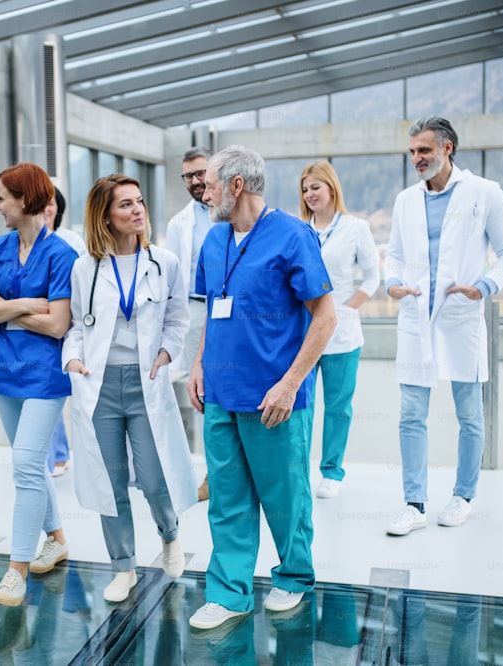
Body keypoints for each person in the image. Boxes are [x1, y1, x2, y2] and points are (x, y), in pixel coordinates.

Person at [186, 145, 336, 631]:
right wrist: (198, 364)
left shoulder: (293, 237)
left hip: (275, 398)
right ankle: (229, 592)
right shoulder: (213, 241)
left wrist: (291, 383)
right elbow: (214, 307)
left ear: (236, 186)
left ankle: (294, 577)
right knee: (227, 500)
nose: (202, 192)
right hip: (221, 396)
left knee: (285, 497)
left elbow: (325, 318)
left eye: (208, 184)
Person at [384, 117, 503, 536]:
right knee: (411, 415)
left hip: (460, 316)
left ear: (448, 149)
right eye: (412, 152)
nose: (416, 159)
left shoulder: (484, 193)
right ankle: (414, 504)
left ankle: (463, 496)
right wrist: (392, 283)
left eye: (424, 150)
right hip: (414, 316)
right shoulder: (405, 200)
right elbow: (392, 254)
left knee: (469, 413)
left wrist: (484, 286)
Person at [62, 174, 197, 603]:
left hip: (147, 384)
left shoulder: (165, 262)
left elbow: (178, 320)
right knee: (111, 481)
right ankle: (123, 567)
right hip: (98, 386)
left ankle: (170, 536)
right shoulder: (86, 267)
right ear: (105, 215)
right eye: (125, 205)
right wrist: (72, 359)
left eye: (139, 202)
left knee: (155, 478)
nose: (137, 210)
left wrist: (166, 354)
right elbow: (76, 327)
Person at [0, 162, 79, 606]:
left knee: (27, 465)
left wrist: (4, 306)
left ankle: (16, 569)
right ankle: (58, 538)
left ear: (26, 198)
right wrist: (26, 303)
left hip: (45, 375)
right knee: (29, 464)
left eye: (1, 198)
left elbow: (56, 327)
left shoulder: (62, 254)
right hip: (4, 370)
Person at [299, 161, 380, 499]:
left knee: (337, 407)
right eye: (305, 189)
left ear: (332, 188)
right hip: (303, 333)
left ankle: (332, 471)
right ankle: (296, 468)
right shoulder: (298, 229)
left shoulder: (355, 228)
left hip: (342, 335)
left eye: (315, 187)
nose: (309, 194)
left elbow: (373, 277)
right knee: (300, 404)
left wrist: (348, 308)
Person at [164, 146, 213, 501]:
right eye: (189, 176)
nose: (195, 181)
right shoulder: (180, 222)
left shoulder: (229, 210)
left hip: (235, 310)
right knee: (201, 389)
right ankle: (213, 474)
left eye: (201, 173)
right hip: (197, 310)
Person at [43, 187, 85, 478]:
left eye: (51, 204)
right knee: (46, 393)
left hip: (71, 329)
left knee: (72, 393)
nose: (46, 209)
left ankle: (73, 454)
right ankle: (56, 454)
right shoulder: (18, 244)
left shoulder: (72, 242)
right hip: (41, 331)